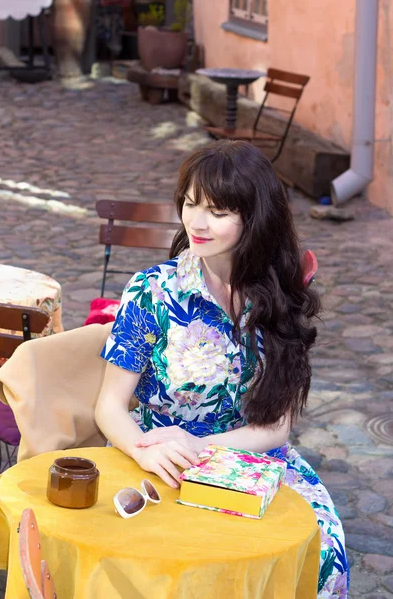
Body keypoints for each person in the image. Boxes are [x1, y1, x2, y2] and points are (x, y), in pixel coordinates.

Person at [96, 140, 348, 598]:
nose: (196, 221)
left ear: (254, 218)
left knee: (321, 549)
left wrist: (198, 446)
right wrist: (142, 450)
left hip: (248, 461)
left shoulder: (279, 296)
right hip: (159, 462)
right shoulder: (153, 291)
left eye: (216, 211)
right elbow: (109, 405)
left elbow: (275, 427)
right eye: (190, 203)